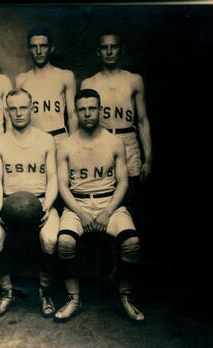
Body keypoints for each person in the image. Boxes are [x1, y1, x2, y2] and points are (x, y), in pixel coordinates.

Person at [56, 89, 144, 322]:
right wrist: (80, 212)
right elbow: (63, 186)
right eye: (82, 109)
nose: (87, 114)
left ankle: (125, 296)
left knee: (132, 243)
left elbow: (123, 182)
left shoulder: (114, 142)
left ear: (100, 110)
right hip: (78, 204)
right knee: (64, 243)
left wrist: (107, 212)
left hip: (109, 203)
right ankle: (74, 298)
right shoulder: (65, 145)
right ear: (76, 112)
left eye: (92, 108)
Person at [0, 88, 59, 318]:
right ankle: (7, 292)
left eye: (23, 108)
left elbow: (54, 178)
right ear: (7, 111)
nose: (18, 113)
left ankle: (45, 292)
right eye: (13, 109)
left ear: (32, 109)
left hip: (40, 203)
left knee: (50, 240)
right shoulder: (0, 143)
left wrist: (47, 206)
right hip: (8, 204)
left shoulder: (46, 140)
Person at [80, 32, 152, 216]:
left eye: (114, 46)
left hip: (129, 141)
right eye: (105, 47)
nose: (109, 51)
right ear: (98, 52)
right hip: (101, 141)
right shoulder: (90, 82)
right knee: (103, 196)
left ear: (122, 50)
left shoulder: (134, 80)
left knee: (131, 199)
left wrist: (148, 159)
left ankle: (130, 241)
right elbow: (84, 122)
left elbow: (142, 120)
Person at [15, 26, 77, 145]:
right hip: (33, 139)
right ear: (29, 49)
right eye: (34, 46)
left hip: (59, 138)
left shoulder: (65, 76)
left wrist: (73, 144)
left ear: (51, 48)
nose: (39, 51)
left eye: (43, 46)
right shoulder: (21, 80)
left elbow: (72, 115)